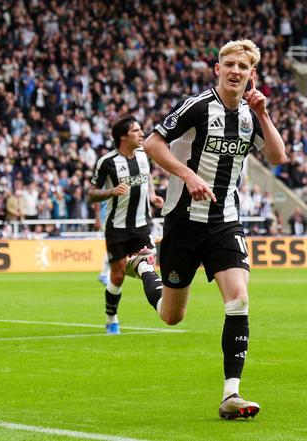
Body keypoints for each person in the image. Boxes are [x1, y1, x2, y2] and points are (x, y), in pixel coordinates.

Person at [142, 39, 287, 419]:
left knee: (239, 298)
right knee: (172, 315)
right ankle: (144, 270)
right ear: (218, 69)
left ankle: (231, 394)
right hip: (183, 221)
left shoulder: (251, 115)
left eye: (243, 66)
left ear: (252, 74)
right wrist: (188, 175)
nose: (236, 71)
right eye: (230, 64)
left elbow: (277, 157)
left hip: (225, 221)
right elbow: (152, 143)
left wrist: (265, 115)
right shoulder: (198, 106)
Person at [88, 115, 164, 335]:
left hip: (142, 226)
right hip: (116, 228)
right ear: (123, 137)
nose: (142, 134)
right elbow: (92, 194)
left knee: (148, 265)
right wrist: (112, 191)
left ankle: (159, 300)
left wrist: (152, 195)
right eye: (136, 131)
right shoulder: (107, 162)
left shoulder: (144, 155)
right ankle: (111, 318)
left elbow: (147, 178)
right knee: (117, 276)